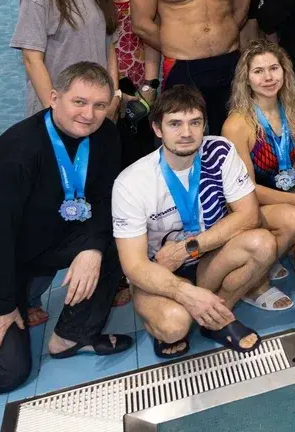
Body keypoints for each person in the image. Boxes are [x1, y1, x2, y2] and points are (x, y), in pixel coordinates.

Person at [0, 63, 131, 393]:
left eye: (99, 105)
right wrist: (0, 306)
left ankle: (72, 336)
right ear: (54, 99)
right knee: (6, 373)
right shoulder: (15, 153)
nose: (89, 114)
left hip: (39, 244)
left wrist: (92, 247)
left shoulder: (105, 135)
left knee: (118, 237)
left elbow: (105, 199)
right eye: (79, 102)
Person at [113, 85, 276, 358]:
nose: (186, 133)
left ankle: (217, 318)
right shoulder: (131, 183)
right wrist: (184, 293)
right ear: (157, 128)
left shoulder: (220, 152)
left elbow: (249, 215)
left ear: (204, 125)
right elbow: (134, 265)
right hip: (159, 270)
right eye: (175, 124)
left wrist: (187, 249)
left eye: (195, 122)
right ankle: (185, 311)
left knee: (263, 243)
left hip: (206, 257)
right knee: (175, 326)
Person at [221, 41, 295, 312]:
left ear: (285, 72)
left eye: (274, 68)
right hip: (244, 205)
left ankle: (267, 260)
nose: (268, 77)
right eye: (258, 71)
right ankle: (252, 285)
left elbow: (292, 160)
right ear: (246, 79)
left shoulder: (292, 107)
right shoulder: (237, 124)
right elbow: (245, 190)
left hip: (280, 197)